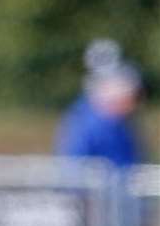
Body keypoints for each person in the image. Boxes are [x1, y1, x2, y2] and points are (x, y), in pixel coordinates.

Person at [56, 40, 144, 168]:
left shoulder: (122, 124)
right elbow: (73, 167)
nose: (134, 105)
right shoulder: (86, 121)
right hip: (94, 185)